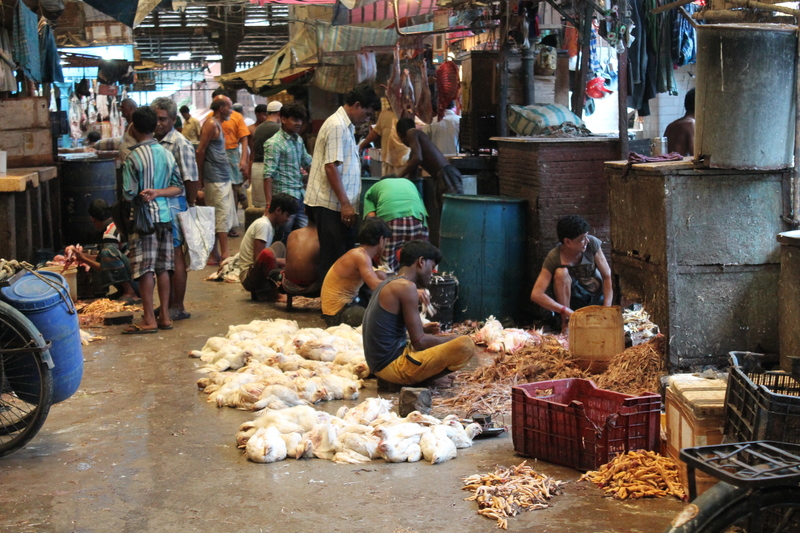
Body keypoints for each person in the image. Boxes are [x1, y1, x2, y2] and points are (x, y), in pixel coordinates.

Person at [362, 240, 476, 387]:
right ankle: (425, 380)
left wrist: (422, 329)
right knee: (465, 345)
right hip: (391, 367)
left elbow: (389, 333)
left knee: (439, 339)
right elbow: (420, 343)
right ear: (421, 262)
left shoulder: (389, 283)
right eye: (432, 267)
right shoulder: (406, 287)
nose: (432, 274)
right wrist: (456, 338)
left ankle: (410, 378)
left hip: (380, 366)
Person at [305, 84, 382, 279]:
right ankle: (331, 305)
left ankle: (339, 301)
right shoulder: (338, 126)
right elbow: (331, 166)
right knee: (333, 259)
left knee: (342, 255)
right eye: (367, 113)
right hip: (332, 204)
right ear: (357, 105)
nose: (367, 119)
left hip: (337, 204)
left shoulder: (345, 126)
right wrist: (345, 203)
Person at [120, 107, 184, 334]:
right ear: (154, 126)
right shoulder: (167, 154)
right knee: (163, 268)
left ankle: (149, 319)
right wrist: (159, 192)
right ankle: (165, 316)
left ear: (133, 128)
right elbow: (178, 187)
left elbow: (128, 194)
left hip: (143, 221)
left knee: (145, 270)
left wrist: (145, 193)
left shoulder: (133, 157)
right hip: (165, 218)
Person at [152, 96, 199, 322]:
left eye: (162, 119)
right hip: (159, 205)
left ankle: (177, 305)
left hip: (176, 204)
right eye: (155, 119)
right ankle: (166, 304)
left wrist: (188, 205)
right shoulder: (153, 142)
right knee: (164, 258)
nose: (158, 123)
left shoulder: (180, 143)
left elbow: (191, 179)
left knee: (176, 256)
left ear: (172, 119)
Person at [530, 215, 613, 333]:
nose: (587, 241)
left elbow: (607, 276)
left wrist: (607, 309)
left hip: (596, 297)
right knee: (561, 273)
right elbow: (536, 294)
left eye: (586, 236)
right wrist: (565, 311)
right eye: (582, 239)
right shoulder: (554, 257)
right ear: (567, 242)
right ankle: (566, 325)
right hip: (573, 303)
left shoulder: (592, 244)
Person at [396, 117, 464, 245]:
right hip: (441, 177)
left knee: (453, 215)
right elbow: (413, 172)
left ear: (400, 135)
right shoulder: (416, 144)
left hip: (447, 175)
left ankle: (457, 245)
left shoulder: (412, 133)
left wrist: (399, 176)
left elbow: (417, 158)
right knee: (443, 216)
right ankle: (446, 246)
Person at [320, 217, 390, 327]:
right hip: (337, 313)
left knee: (381, 278)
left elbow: (378, 276)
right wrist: (407, 288)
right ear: (381, 240)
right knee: (381, 320)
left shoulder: (359, 253)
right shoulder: (360, 256)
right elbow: (375, 285)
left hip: (343, 307)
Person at [70, 198, 138, 303]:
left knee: (107, 252)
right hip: (142, 279)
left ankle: (129, 292)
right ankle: (123, 291)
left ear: (93, 219)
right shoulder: (115, 224)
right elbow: (103, 260)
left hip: (138, 282)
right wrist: (82, 256)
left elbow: (106, 266)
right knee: (106, 255)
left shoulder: (109, 233)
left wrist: (83, 258)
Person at [263, 103, 313, 237]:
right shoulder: (274, 143)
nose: (299, 123)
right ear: (283, 119)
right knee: (283, 237)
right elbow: (268, 174)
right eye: (295, 119)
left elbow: (308, 162)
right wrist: (269, 205)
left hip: (300, 195)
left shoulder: (298, 140)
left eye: (300, 120)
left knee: (304, 235)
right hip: (284, 198)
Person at [196, 95, 234, 266]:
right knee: (219, 215)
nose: (231, 111)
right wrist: (199, 180)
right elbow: (200, 151)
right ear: (221, 108)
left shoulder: (218, 124)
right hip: (214, 178)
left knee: (222, 215)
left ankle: (218, 253)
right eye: (229, 107)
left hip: (222, 177)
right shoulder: (211, 124)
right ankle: (221, 254)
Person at [239, 193, 296, 301]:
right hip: (249, 277)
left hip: (256, 272)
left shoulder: (268, 225)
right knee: (268, 254)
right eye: (287, 215)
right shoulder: (263, 225)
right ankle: (274, 294)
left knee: (279, 246)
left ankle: (269, 289)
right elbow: (259, 258)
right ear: (278, 211)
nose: (288, 219)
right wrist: (286, 262)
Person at [363, 177, 428, 271]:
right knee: (419, 260)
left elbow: (372, 219)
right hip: (417, 219)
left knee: (387, 266)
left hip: (391, 219)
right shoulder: (409, 183)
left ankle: (391, 283)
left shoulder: (373, 189)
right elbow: (423, 211)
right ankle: (416, 284)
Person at [214, 89, 250, 228]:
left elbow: (244, 138)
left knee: (234, 189)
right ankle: (222, 223)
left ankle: (232, 224)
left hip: (232, 154)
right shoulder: (211, 119)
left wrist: (243, 160)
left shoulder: (236, 117)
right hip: (216, 156)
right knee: (221, 190)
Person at [357, 106, 409, 176]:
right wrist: (361, 145)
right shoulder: (384, 113)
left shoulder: (408, 113)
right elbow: (376, 131)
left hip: (404, 159)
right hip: (387, 159)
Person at [250, 100, 283, 209]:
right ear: (279, 114)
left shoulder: (258, 128)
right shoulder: (278, 129)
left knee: (261, 208)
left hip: (256, 168)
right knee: (273, 208)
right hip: (269, 171)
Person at [281, 217, 321, 296]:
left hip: (289, 285)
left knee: (273, 273)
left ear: (305, 211)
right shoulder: (323, 236)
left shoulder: (293, 234)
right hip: (314, 288)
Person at [664, 88, 695, 157]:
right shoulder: (691, 124)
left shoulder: (671, 125)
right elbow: (696, 156)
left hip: (669, 166)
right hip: (682, 167)